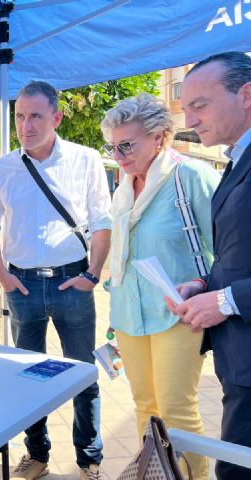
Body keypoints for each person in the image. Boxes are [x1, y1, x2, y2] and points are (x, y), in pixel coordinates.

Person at [0, 80, 111, 480]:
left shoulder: (85, 159)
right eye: (20, 116)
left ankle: (89, 460)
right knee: (29, 378)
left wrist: (93, 274)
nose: (25, 125)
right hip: (22, 287)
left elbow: (103, 222)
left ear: (56, 117)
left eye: (35, 115)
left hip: (73, 281)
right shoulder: (1, 169)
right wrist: (2, 276)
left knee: (82, 375)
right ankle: (37, 455)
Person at [102, 93, 220, 480]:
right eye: (113, 146)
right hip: (128, 314)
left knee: (176, 412)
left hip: (179, 314)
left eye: (127, 145)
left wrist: (204, 285)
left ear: (160, 137)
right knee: (145, 407)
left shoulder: (192, 177)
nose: (118, 155)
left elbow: (228, 248)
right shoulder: (124, 184)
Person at [167, 51, 251, 480]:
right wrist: (205, 285)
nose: (191, 119)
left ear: (247, 95)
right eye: (186, 109)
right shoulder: (237, 158)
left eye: (200, 105)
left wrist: (228, 300)